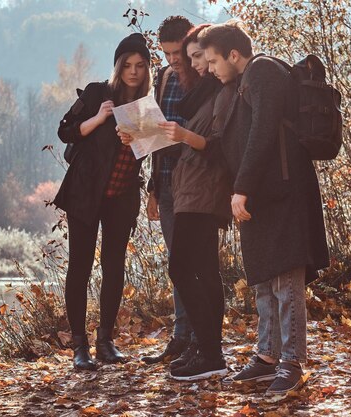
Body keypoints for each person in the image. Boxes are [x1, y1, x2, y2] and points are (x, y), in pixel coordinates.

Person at [198, 21, 330, 394]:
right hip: (264, 196)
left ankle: (292, 362)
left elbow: (264, 130)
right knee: (264, 280)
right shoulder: (242, 82)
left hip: (283, 194)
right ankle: (267, 357)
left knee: (286, 281)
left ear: (234, 55)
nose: (209, 69)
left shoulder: (262, 71)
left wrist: (241, 188)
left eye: (212, 61)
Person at [121, 24, 235, 380]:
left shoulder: (220, 88)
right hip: (187, 185)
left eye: (199, 57)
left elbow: (217, 143)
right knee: (199, 271)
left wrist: (183, 136)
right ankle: (205, 349)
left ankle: (209, 351)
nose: (194, 64)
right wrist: (140, 135)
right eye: (188, 58)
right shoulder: (193, 86)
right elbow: (185, 137)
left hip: (204, 189)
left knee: (186, 269)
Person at [52, 33, 152, 371]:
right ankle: (80, 346)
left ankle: (105, 341)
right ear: (118, 66)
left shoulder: (147, 103)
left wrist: (137, 137)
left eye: (140, 65)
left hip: (122, 196)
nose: (133, 71)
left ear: (147, 69)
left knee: (114, 268)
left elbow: (149, 150)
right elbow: (65, 130)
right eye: (127, 65)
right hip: (85, 193)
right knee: (79, 267)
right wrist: (98, 119)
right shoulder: (98, 91)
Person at [140, 15, 199, 365]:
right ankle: (180, 337)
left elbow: (210, 128)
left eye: (177, 52)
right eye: (166, 54)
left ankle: (200, 339)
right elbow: (155, 137)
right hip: (166, 184)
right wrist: (152, 188)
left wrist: (179, 130)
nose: (173, 60)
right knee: (176, 264)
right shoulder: (163, 78)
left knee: (196, 265)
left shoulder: (203, 75)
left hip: (195, 184)